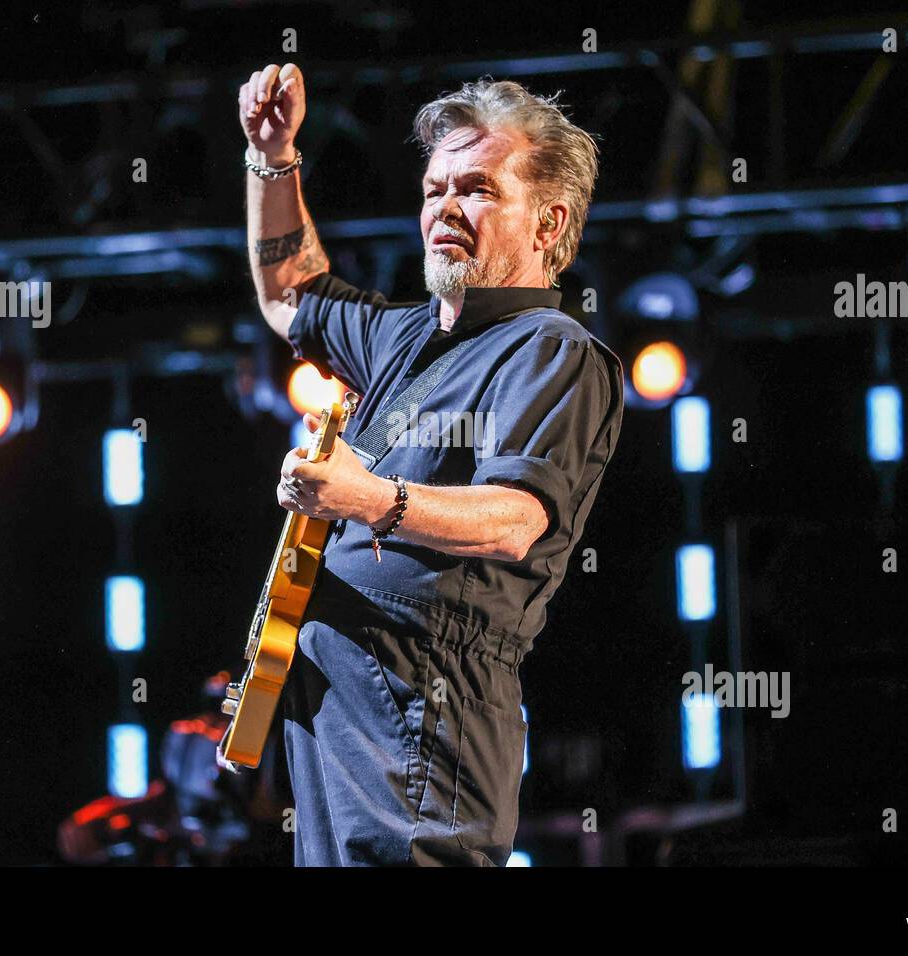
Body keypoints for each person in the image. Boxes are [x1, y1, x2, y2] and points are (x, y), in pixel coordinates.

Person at [239, 62, 624, 866]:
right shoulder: (403, 338)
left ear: (549, 224)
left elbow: (518, 520)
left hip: (428, 693)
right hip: (340, 698)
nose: (445, 207)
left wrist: (370, 497)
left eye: (478, 189)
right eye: (433, 188)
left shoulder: (553, 350)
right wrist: (273, 157)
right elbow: (289, 294)